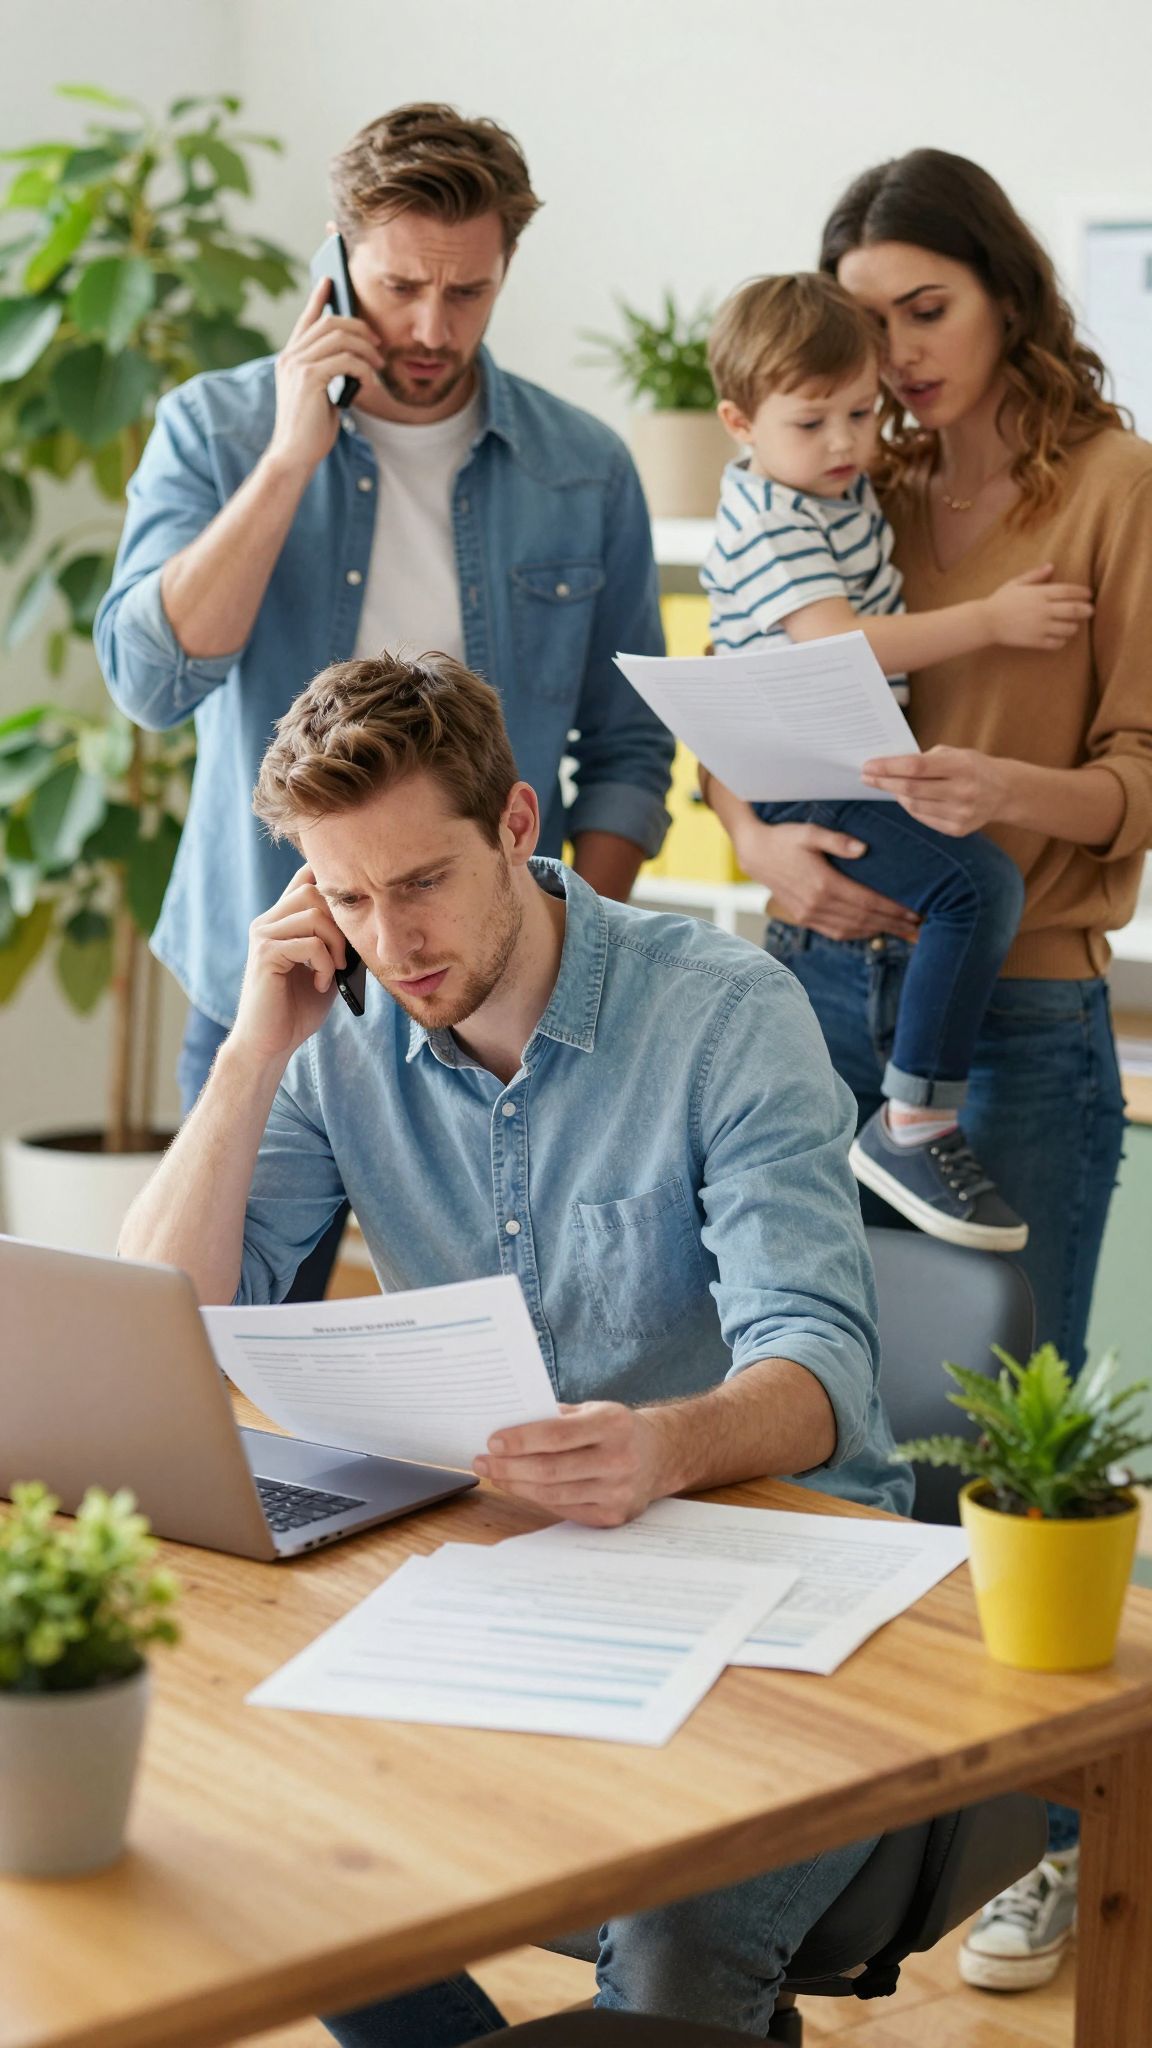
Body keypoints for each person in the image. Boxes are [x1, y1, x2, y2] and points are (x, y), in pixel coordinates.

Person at [119, 649, 912, 2042]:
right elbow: (152, 1323)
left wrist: (660, 1445)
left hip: (777, 1572)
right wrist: (250, 1053)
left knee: (672, 1922)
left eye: (421, 881)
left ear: (517, 824)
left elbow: (820, 1365)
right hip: (523, 1579)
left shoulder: (726, 1015)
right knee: (276, 1826)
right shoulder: (338, 1041)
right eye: (347, 898)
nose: (392, 939)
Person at [703, 147, 1152, 1997]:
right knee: (825, 1418)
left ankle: (1051, 1841)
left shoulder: (1112, 486)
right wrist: (761, 844)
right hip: (812, 986)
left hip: (1022, 1009)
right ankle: (835, 1842)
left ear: (1006, 293)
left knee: (1004, 1453)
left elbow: (1140, 775)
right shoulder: (837, 467)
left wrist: (1004, 794)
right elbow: (738, 704)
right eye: (866, 320)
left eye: (926, 308)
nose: (891, 355)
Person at [95, 101, 673, 1298]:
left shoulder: (582, 468)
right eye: (402, 285)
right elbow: (151, 682)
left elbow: (627, 746)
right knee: (215, 1337)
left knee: (519, 1345)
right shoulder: (217, 429)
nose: (430, 327)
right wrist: (289, 458)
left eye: (469, 292)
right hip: (272, 979)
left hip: (505, 993)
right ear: (337, 256)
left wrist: (577, 947)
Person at [702, 271, 1094, 1251]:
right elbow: (840, 643)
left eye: (860, 412)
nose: (845, 442)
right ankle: (913, 1119)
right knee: (976, 887)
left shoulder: (831, 490)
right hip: (807, 767)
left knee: (969, 890)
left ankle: (911, 1109)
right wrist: (992, 620)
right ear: (739, 424)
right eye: (812, 423)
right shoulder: (773, 516)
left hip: (827, 760)